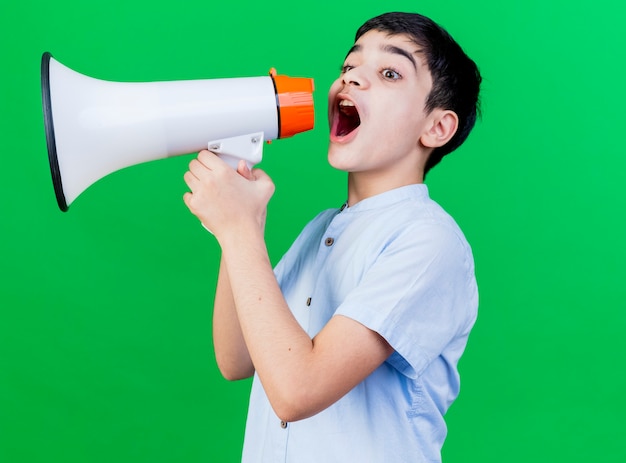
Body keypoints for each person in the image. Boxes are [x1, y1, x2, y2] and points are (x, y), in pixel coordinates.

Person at [183, 11, 481, 463]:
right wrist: (242, 229)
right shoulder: (322, 228)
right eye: (348, 67)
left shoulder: (428, 241)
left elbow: (297, 391)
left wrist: (239, 230)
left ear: (436, 127)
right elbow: (236, 357)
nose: (352, 80)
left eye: (389, 72)